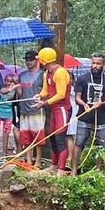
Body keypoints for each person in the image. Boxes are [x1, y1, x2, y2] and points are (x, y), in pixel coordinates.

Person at [72, 54, 105, 175]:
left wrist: (101, 103)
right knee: (79, 143)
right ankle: (74, 170)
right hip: (84, 116)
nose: (95, 66)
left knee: (101, 145)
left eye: (98, 63)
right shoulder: (82, 79)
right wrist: (84, 104)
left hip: (101, 118)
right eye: (94, 63)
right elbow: (77, 97)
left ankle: (97, 170)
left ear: (103, 65)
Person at [33, 47, 72, 176]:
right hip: (53, 109)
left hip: (62, 109)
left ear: (44, 60)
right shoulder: (47, 73)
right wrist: (39, 96)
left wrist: (45, 103)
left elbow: (60, 94)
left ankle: (61, 169)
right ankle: (54, 165)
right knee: (53, 138)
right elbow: (46, 91)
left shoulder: (60, 72)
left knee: (60, 138)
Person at [17, 50, 45, 167]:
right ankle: (28, 161)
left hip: (37, 110)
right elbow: (20, 93)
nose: (29, 62)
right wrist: (16, 85)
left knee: (38, 138)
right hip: (24, 110)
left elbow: (46, 91)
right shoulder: (21, 75)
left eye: (31, 59)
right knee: (25, 137)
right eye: (27, 60)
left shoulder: (42, 74)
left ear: (36, 60)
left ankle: (37, 161)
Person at [0, 74, 19, 155]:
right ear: (4, 80)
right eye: (7, 81)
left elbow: (11, 98)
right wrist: (9, 89)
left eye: (11, 81)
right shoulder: (1, 88)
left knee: (6, 133)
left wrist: (14, 87)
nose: (9, 83)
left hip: (9, 113)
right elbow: (0, 93)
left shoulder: (14, 90)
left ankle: (4, 152)